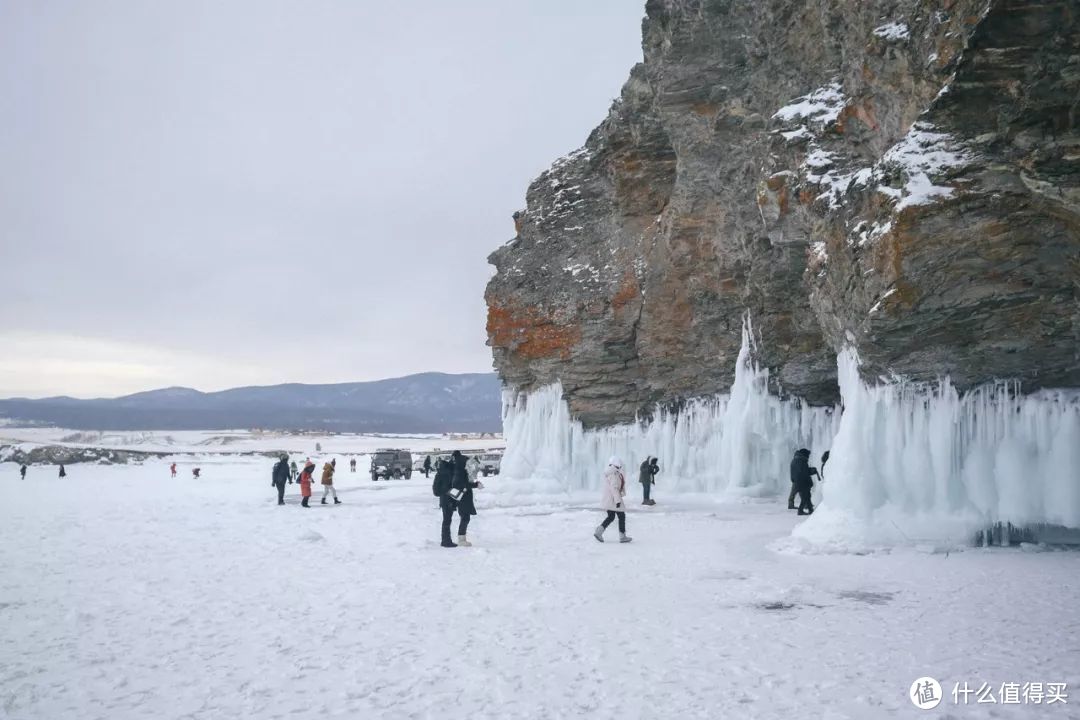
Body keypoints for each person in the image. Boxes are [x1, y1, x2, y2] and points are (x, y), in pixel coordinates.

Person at [594, 456, 632, 543]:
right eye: (619, 463)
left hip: (610, 499)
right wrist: (618, 501)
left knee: (611, 517)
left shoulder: (612, 472)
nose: (621, 465)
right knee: (621, 516)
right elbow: (614, 488)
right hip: (613, 500)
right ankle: (622, 536)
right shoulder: (613, 474)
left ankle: (599, 532)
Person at [453, 450, 484, 547]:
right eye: (468, 465)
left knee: (466, 517)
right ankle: (461, 539)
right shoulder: (460, 471)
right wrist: (475, 485)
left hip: (464, 497)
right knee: (465, 517)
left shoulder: (460, 469)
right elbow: (463, 484)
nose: (469, 467)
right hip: (462, 498)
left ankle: (462, 538)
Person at [432, 458, 457, 547]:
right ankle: (446, 541)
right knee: (447, 521)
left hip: (446, 500)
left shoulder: (441, 474)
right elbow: (436, 491)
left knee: (447, 520)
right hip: (447, 500)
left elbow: (436, 491)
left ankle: (446, 540)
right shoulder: (447, 474)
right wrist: (447, 491)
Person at [789, 448, 819, 516]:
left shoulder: (795, 460)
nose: (808, 456)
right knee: (805, 497)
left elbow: (799, 472)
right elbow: (804, 472)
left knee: (807, 496)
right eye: (808, 455)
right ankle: (800, 511)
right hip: (802, 482)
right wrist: (812, 470)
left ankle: (810, 510)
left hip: (798, 482)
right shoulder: (801, 461)